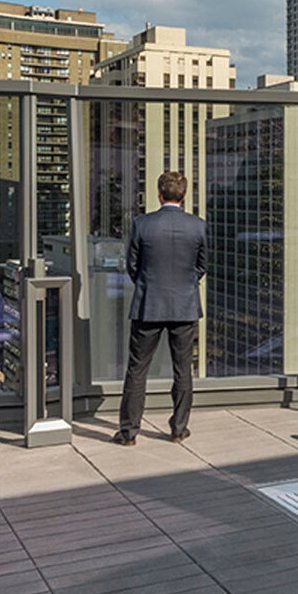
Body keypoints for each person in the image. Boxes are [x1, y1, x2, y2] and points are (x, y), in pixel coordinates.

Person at [114, 171, 208, 445]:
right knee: (182, 369)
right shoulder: (197, 226)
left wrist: (147, 285)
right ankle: (179, 429)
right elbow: (202, 265)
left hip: (148, 305)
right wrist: (185, 286)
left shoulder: (142, 224)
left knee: (137, 370)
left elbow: (131, 264)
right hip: (184, 306)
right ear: (184, 195)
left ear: (159, 194)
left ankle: (129, 433)